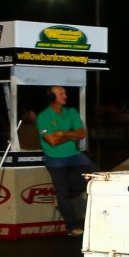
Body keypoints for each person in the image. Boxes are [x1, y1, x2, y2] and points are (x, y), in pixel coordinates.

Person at [37, 85, 99, 237]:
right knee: (63, 194)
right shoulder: (43, 116)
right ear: (52, 97)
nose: (65, 96)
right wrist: (70, 135)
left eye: (65, 93)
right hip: (55, 158)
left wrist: (62, 133)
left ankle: (65, 196)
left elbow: (81, 134)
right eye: (61, 94)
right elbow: (52, 141)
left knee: (98, 177)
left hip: (74, 155)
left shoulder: (72, 112)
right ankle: (72, 226)